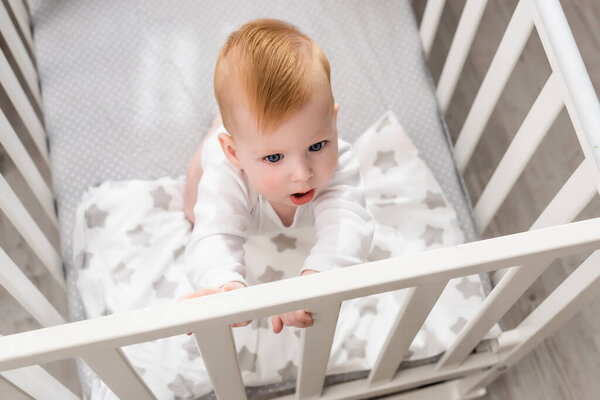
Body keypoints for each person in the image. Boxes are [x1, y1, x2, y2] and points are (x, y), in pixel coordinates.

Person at [181, 18, 374, 334]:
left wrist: (316, 280)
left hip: (245, 145)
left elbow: (349, 223)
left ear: (334, 120)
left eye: (316, 144)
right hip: (218, 164)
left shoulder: (340, 162)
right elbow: (213, 235)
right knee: (192, 211)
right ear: (235, 153)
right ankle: (220, 128)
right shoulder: (226, 170)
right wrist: (225, 285)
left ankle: (239, 129)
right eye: (274, 157)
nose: (302, 174)